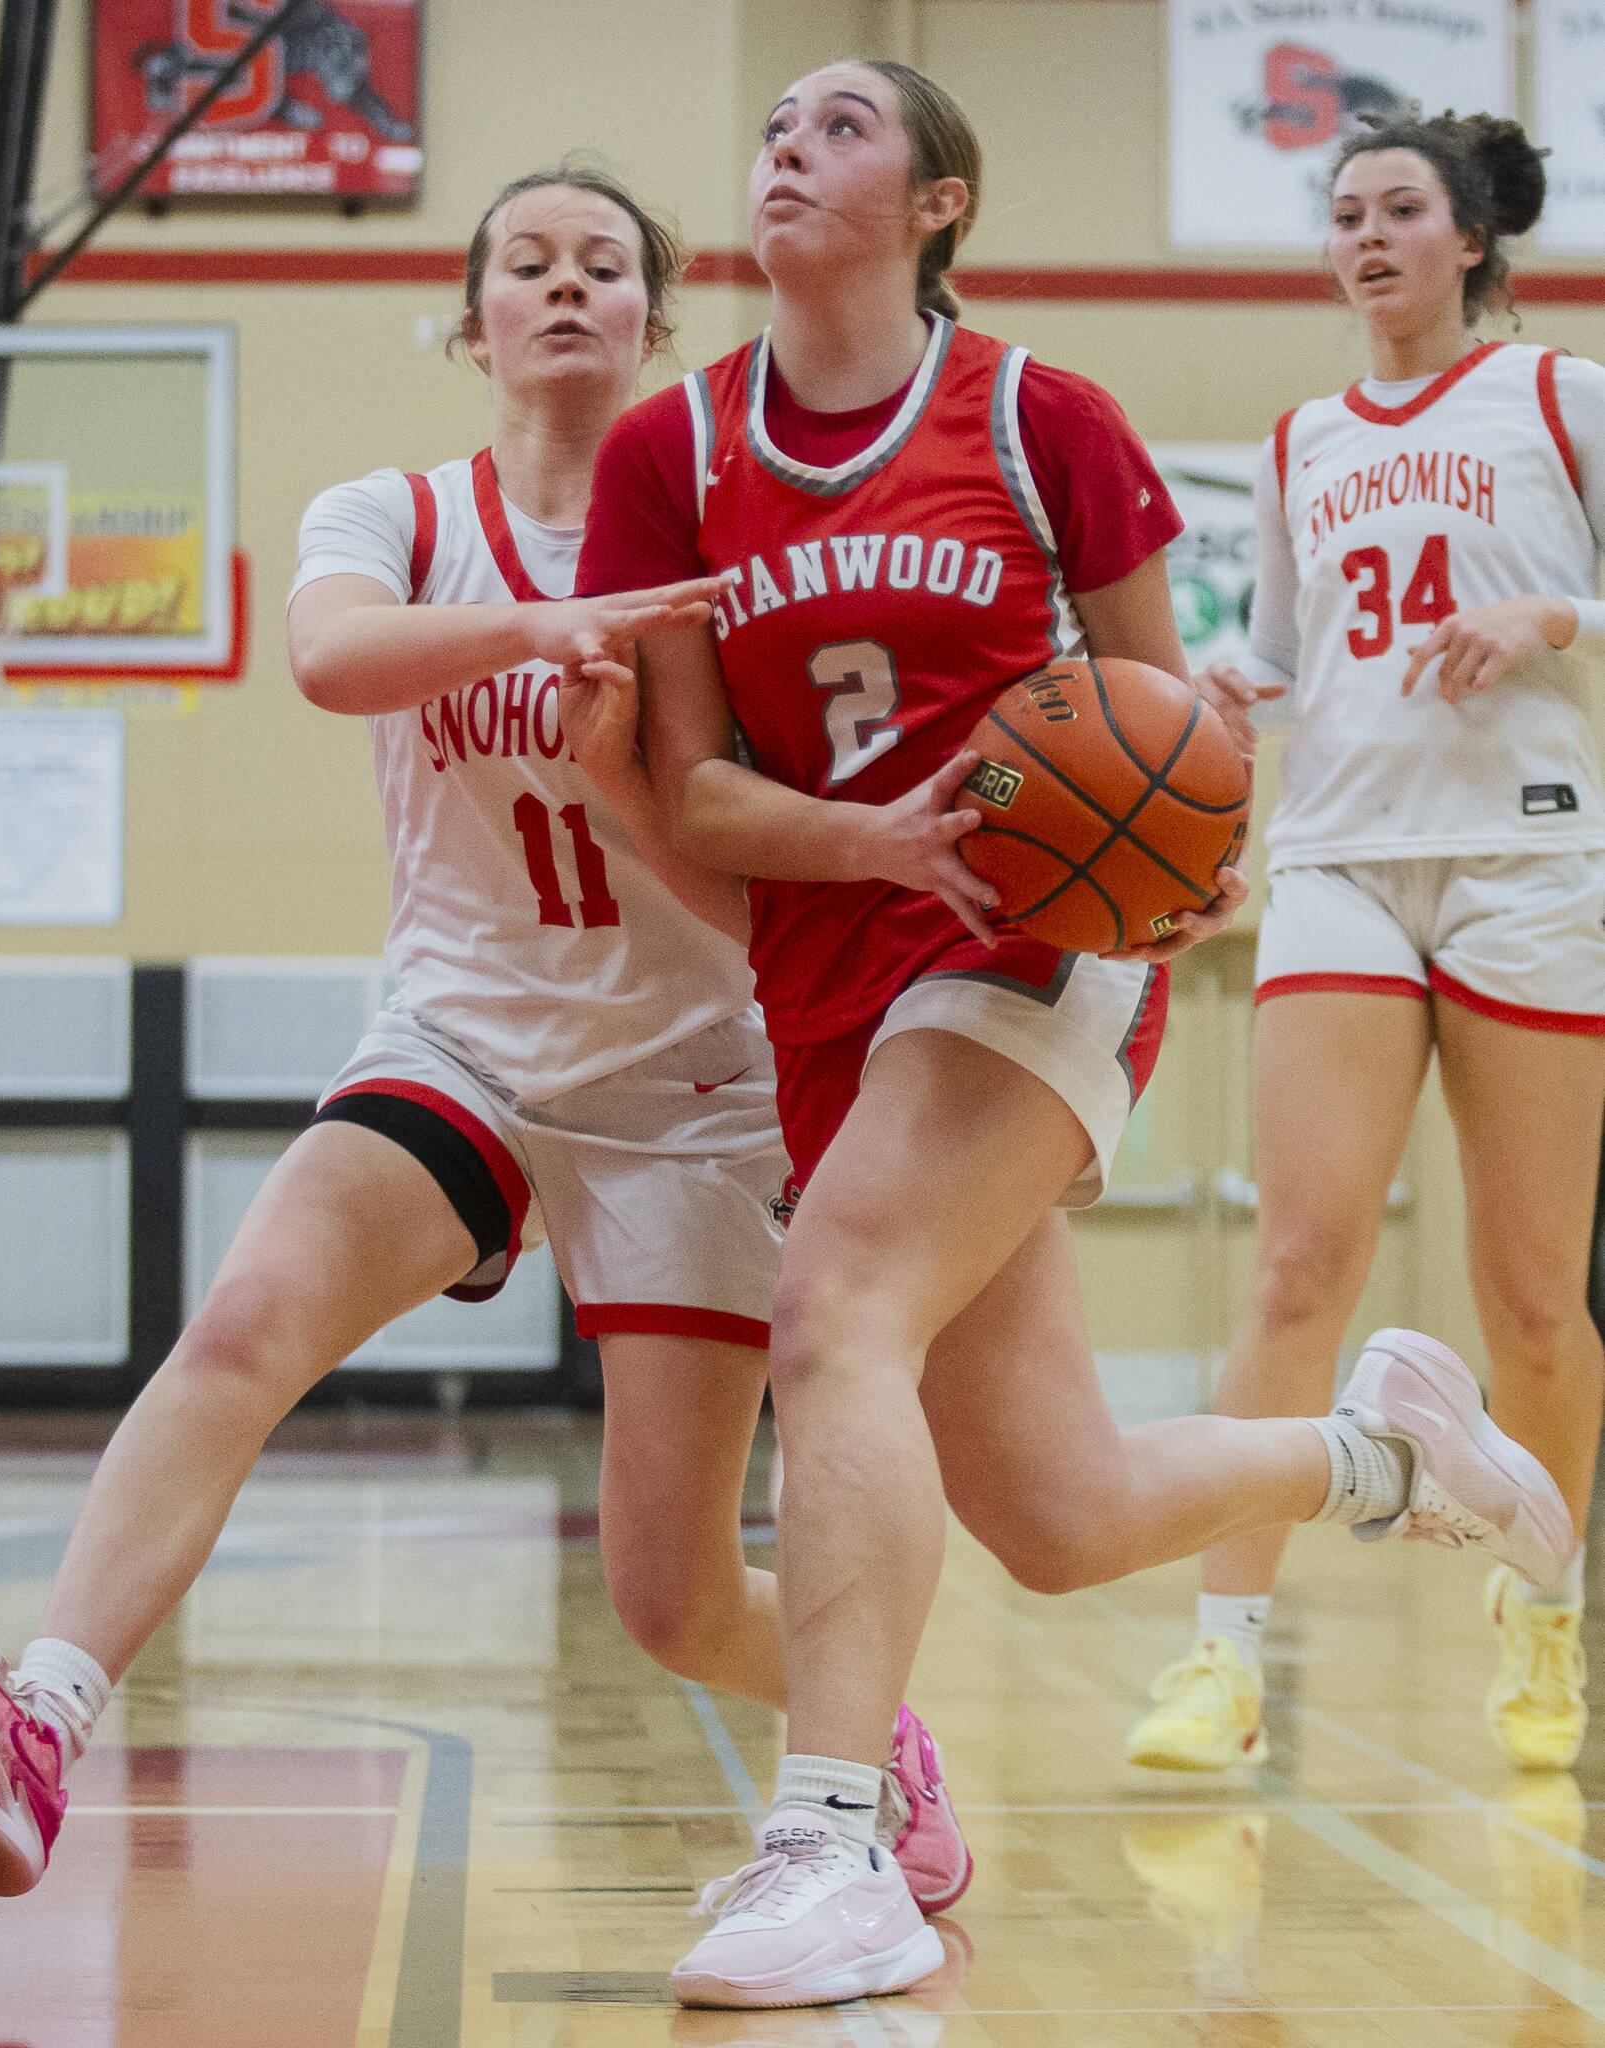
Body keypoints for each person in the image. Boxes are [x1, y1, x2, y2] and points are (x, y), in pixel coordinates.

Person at [568, 61, 1579, 2009]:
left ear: (940, 197)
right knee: (1054, 1511)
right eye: (773, 122)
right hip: (827, 982)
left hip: (1033, 949)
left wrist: (1177, 851)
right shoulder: (669, 454)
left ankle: (831, 1840)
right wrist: (866, 839)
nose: (787, 143)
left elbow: (1159, 724)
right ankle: (1377, 1451)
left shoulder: (1042, 420)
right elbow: (685, 797)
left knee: (835, 1301)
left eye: (841, 125)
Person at [0, 164, 970, 1915]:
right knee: (242, 1323)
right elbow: (328, 657)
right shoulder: (395, 513)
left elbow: (750, 848)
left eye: (604, 264)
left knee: (666, 1598)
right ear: (472, 320)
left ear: (657, 328)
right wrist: (537, 623)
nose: (564, 285)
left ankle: (874, 1731)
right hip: (463, 1045)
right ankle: (38, 1726)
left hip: (691, 1087)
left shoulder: (718, 552)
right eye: (525, 261)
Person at [1127, 113, 1605, 1778]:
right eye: (1343, 213)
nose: (1366, 235)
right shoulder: (1295, 439)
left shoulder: (1559, 397)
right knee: (1294, 1268)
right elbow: (1264, 652)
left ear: (1469, 239)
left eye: (1400, 208)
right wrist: (1220, 704)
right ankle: (1222, 1659)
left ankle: (1541, 1619)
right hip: (1337, 857)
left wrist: (1554, 615)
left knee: (1532, 1301)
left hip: (1526, 861)